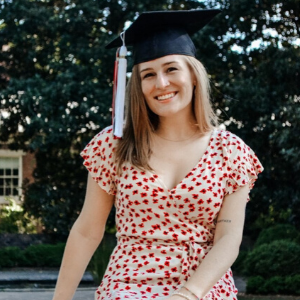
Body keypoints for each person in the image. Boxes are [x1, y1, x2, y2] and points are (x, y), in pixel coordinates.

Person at [52, 9, 263, 300]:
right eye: (148, 74)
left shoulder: (231, 152)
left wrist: (188, 294)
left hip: (203, 286)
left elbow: (228, 238)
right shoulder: (114, 145)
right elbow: (87, 231)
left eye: (171, 69)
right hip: (127, 285)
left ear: (193, 74)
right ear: (137, 85)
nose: (161, 84)